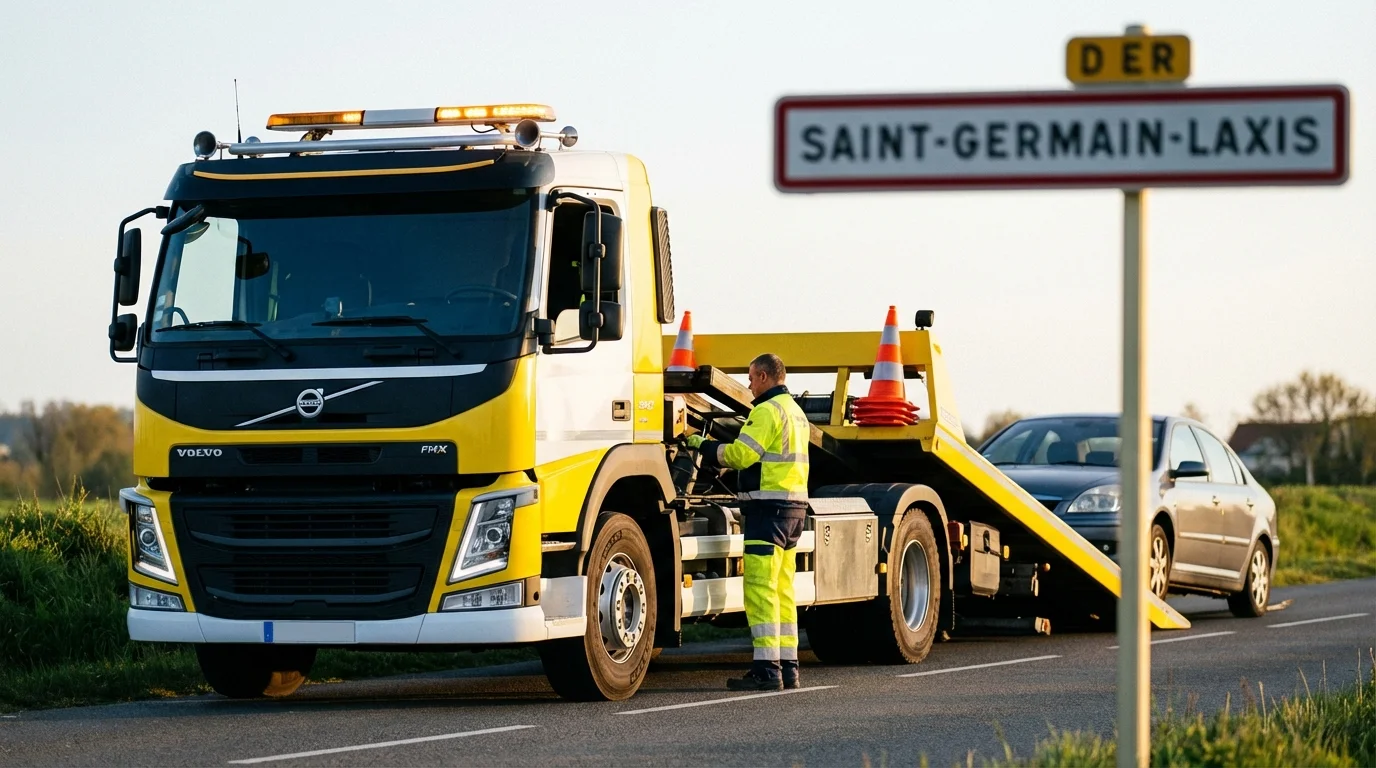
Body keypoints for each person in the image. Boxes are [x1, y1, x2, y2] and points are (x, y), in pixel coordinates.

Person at [687, 353, 811, 691]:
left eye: (752, 377)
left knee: (759, 590)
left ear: (766, 377)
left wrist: (704, 446)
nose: (749, 384)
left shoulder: (766, 411)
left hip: (767, 512)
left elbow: (742, 455)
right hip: (792, 510)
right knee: (783, 591)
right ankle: (788, 669)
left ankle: (766, 670)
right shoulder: (795, 413)